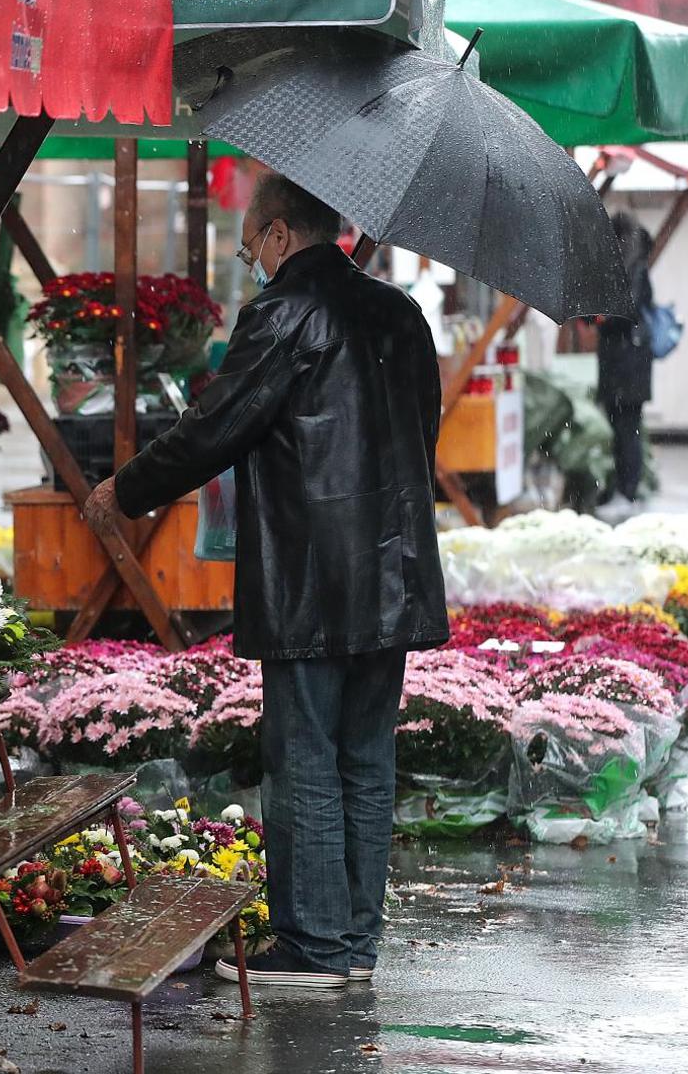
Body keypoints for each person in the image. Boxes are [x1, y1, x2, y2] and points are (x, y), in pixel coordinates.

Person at [83, 173, 449, 989]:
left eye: (252, 243)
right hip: (394, 572)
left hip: (314, 574)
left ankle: (314, 948)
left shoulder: (285, 311)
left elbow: (216, 425)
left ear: (282, 233)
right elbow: (420, 430)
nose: (251, 258)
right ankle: (354, 944)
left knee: (306, 757)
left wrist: (125, 491)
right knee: (365, 758)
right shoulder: (400, 312)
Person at [596, 212, 655, 518]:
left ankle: (627, 493)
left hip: (628, 365)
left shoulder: (633, 267)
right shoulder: (629, 265)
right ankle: (623, 490)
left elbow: (626, 311)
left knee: (627, 429)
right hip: (622, 364)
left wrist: (601, 317)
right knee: (622, 429)